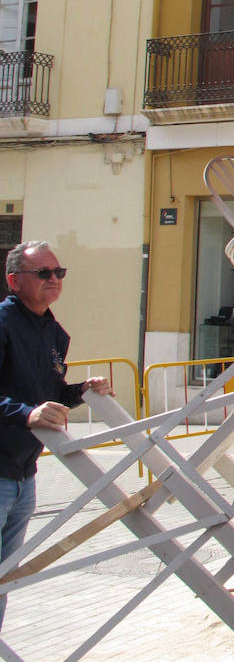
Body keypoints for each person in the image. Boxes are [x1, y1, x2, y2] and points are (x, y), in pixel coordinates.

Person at [0, 242, 113, 631]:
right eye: (43, 273)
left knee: (4, 578)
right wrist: (26, 414)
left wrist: (82, 390)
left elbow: (50, 392)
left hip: (23, 476)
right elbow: (27, 407)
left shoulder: (54, 332)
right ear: (14, 281)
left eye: (58, 273)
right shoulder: (2, 323)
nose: (53, 280)